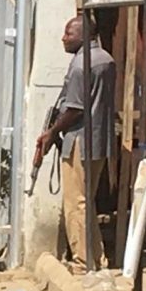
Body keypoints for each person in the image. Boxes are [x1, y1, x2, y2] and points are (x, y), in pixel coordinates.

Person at [35, 15, 116, 273]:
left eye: (68, 34)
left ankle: (82, 261)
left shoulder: (82, 65)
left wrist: (51, 132)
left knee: (75, 202)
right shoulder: (106, 59)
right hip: (100, 138)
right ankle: (96, 258)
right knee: (86, 201)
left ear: (82, 35)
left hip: (80, 139)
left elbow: (74, 109)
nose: (63, 38)